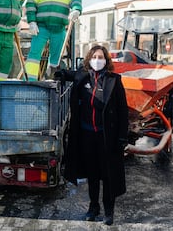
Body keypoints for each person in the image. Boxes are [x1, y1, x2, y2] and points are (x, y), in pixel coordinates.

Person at [55, 45, 129, 226]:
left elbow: (123, 111)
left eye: (101, 57)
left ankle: (109, 211)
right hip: (87, 135)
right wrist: (60, 73)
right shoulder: (83, 76)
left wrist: (122, 137)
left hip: (107, 137)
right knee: (93, 175)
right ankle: (93, 207)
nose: (98, 60)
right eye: (95, 56)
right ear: (89, 59)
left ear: (106, 60)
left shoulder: (114, 80)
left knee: (108, 175)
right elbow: (69, 74)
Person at [24, 0, 82, 81]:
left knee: (56, 57)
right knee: (34, 55)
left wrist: (76, 9)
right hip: (41, 28)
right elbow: (30, 4)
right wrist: (31, 22)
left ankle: (51, 80)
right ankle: (30, 81)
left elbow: (76, 0)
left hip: (59, 29)